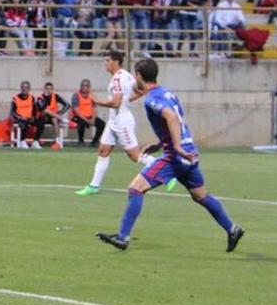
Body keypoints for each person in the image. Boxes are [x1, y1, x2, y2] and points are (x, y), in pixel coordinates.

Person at [97, 58, 244, 253]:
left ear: (139, 76)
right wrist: (160, 144)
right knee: (200, 195)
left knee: (135, 189)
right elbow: (178, 119)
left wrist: (174, 146)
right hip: (189, 151)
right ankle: (232, 228)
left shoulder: (151, 98)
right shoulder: (168, 93)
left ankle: (123, 237)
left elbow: (172, 117)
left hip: (176, 155)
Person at [75, 49, 172, 195]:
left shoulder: (117, 79)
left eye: (107, 61)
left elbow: (115, 103)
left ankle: (166, 172)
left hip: (122, 121)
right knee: (103, 151)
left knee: (135, 156)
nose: (105, 64)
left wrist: (97, 101)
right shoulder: (126, 75)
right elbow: (139, 91)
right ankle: (94, 186)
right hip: (114, 120)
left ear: (115, 62)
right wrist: (126, 101)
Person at [68, 79, 103, 147]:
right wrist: (87, 120)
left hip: (89, 116)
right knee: (82, 123)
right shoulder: (76, 95)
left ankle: (95, 141)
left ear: (89, 87)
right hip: (78, 117)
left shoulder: (92, 95)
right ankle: (81, 141)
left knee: (102, 124)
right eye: (83, 85)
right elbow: (76, 110)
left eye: (87, 85)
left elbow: (95, 108)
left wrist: (92, 119)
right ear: (80, 86)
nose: (84, 87)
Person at [33, 82, 68, 148]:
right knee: (42, 119)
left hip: (53, 117)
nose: (48, 91)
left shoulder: (56, 96)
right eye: (47, 89)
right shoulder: (40, 98)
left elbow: (67, 105)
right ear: (44, 89)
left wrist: (61, 112)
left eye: (50, 89)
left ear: (52, 90)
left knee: (54, 119)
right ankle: (35, 141)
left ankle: (57, 141)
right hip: (42, 117)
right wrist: (60, 118)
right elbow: (44, 110)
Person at [9, 80, 39, 148]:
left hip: (29, 117)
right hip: (19, 118)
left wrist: (33, 117)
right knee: (25, 123)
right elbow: (12, 112)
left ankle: (35, 141)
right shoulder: (15, 98)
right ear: (21, 88)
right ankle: (22, 141)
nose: (24, 89)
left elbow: (35, 110)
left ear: (29, 89)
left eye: (26, 87)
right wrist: (19, 117)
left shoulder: (32, 98)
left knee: (40, 123)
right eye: (23, 87)